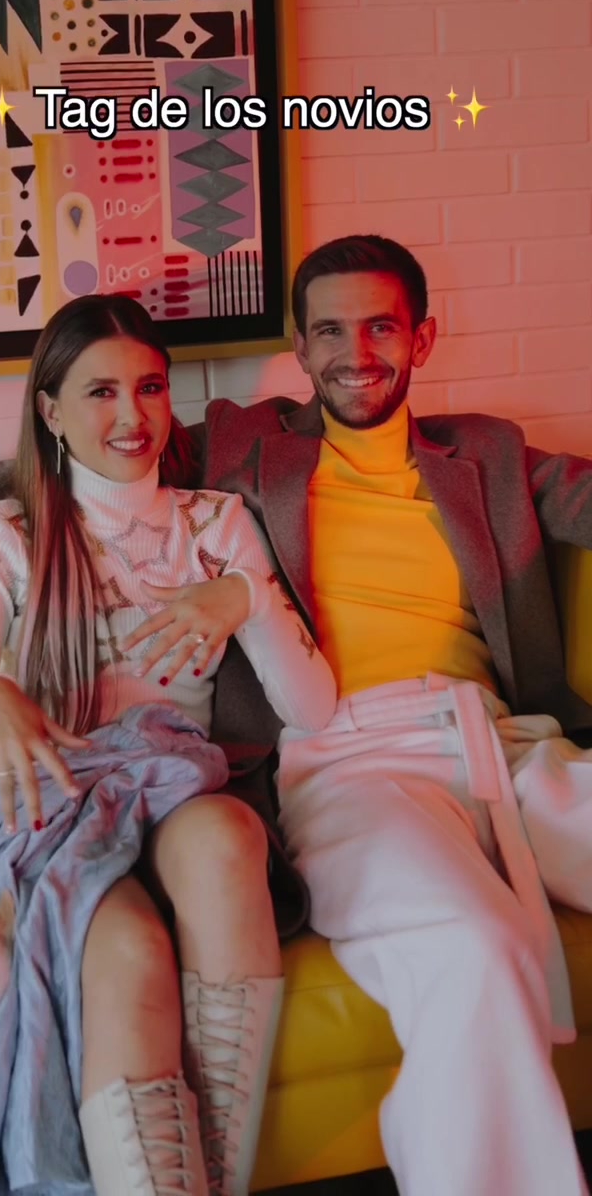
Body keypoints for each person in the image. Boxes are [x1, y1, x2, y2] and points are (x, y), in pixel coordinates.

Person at [130, 233, 592, 1196]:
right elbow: (69, 471)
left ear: (422, 339)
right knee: (476, 948)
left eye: (381, 327)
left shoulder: (488, 453)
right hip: (347, 760)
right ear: (300, 348)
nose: (356, 352)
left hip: (501, 743)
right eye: (330, 331)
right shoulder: (242, 446)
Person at [0, 293, 337, 1196]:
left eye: (150, 387)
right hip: (44, 805)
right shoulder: (7, 536)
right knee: (124, 949)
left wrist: (246, 597)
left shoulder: (216, 524)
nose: (133, 415)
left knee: (231, 836)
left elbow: (313, 708)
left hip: (167, 791)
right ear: (50, 411)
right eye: (101, 392)